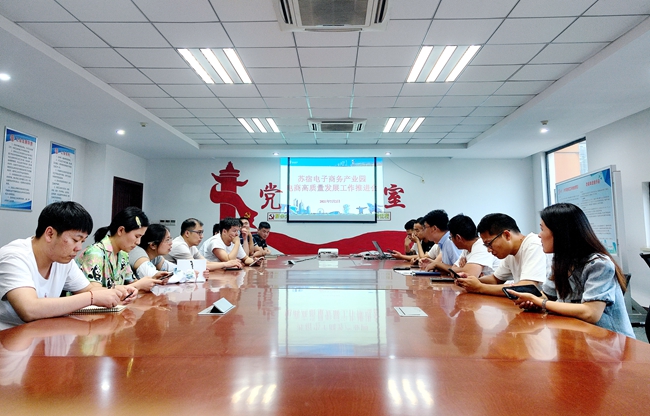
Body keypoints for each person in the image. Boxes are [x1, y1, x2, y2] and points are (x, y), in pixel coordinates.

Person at [0, 201, 135, 329]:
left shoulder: (63, 260)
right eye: (75, 240)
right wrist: (92, 298)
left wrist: (116, 292)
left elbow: (88, 289)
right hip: (9, 338)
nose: (79, 248)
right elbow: (29, 310)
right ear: (50, 234)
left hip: (40, 333)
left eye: (82, 241)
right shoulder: (14, 256)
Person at [507, 203, 635, 338]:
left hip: (611, 340)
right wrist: (533, 302)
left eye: (542, 229)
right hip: (578, 334)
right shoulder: (561, 261)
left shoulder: (599, 264)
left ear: (560, 233)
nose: (539, 235)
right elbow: (548, 296)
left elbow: (591, 313)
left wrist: (540, 302)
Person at [455, 213, 547, 296]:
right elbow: (495, 279)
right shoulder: (510, 253)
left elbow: (526, 287)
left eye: (489, 244)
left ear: (506, 235)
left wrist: (479, 287)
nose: (488, 250)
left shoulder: (533, 244)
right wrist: (469, 281)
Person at [77, 207, 163, 292]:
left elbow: (133, 283)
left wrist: (152, 280)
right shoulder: (95, 253)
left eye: (141, 237)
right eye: (136, 236)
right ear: (121, 230)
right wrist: (138, 285)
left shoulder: (123, 255)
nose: (138, 242)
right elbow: (94, 292)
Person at [165, 218, 241, 271]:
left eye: (202, 233)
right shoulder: (180, 246)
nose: (202, 236)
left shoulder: (191, 246)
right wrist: (226, 264)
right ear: (187, 233)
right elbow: (198, 267)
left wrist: (228, 263)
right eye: (199, 233)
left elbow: (205, 262)